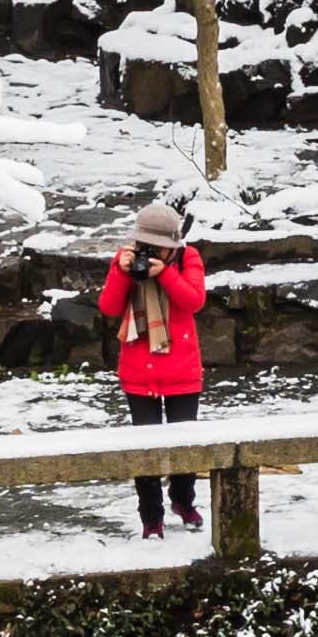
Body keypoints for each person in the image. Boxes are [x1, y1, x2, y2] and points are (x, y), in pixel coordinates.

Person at [98, 199, 212, 536]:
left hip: (182, 372)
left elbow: (194, 301)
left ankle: (183, 501)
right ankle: (151, 519)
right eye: (147, 246)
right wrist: (121, 271)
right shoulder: (126, 260)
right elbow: (108, 307)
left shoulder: (188, 258)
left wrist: (166, 275)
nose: (151, 254)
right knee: (145, 453)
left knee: (184, 450)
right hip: (139, 371)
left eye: (159, 249)